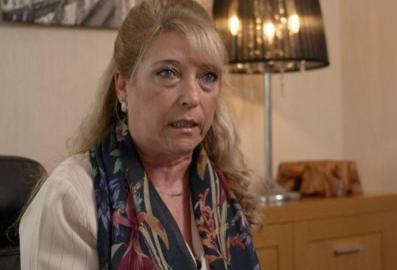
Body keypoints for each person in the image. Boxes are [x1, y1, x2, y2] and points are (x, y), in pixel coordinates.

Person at [19, 0, 261, 269]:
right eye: (168, 73)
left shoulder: (222, 189)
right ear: (123, 87)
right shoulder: (70, 197)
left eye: (208, 77)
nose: (192, 97)